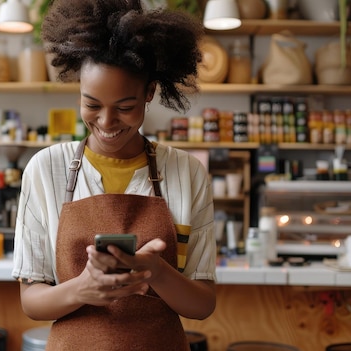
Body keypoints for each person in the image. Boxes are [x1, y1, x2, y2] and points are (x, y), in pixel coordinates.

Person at [12, 0, 216, 349]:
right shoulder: (45, 169)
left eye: (125, 107)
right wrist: (83, 288)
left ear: (149, 93)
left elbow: (202, 304)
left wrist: (156, 271)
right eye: (92, 105)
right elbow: (31, 300)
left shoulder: (187, 173)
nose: (106, 123)